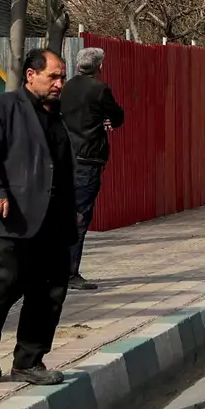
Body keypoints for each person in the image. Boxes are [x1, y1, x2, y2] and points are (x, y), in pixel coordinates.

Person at [0, 49, 77, 386]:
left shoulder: (58, 115)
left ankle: (29, 360)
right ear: (30, 75)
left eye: (62, 77)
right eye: (53, 76)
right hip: (5, 214)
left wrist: (73, 208)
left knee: (50, 289)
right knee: (5, 279)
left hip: (51, 219)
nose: (59, 83)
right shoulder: (2, 107)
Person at [60, 47, 124, 291]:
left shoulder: (65, 88)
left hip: (65, 157)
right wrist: (109, 121)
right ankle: (70, 273)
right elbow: (116, 115)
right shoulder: (99, 89)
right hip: (88, 159)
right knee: (79, 216)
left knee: (63, 213)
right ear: (99, 66)